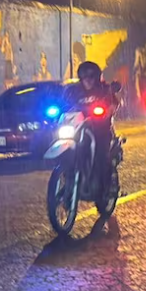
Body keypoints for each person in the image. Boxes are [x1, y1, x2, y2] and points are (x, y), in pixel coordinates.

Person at [63, 61, 120, 193]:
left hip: (100, 130)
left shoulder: (104, 89)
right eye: (84, 77)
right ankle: (67, 177)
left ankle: (105, 188)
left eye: (91, 76)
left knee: (101, 155)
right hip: (79, 128)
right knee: (67, 148)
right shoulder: (74, 91)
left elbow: (114, 103)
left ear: (96, 77)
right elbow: (64, 103)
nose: (88, 80)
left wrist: (109, 110)